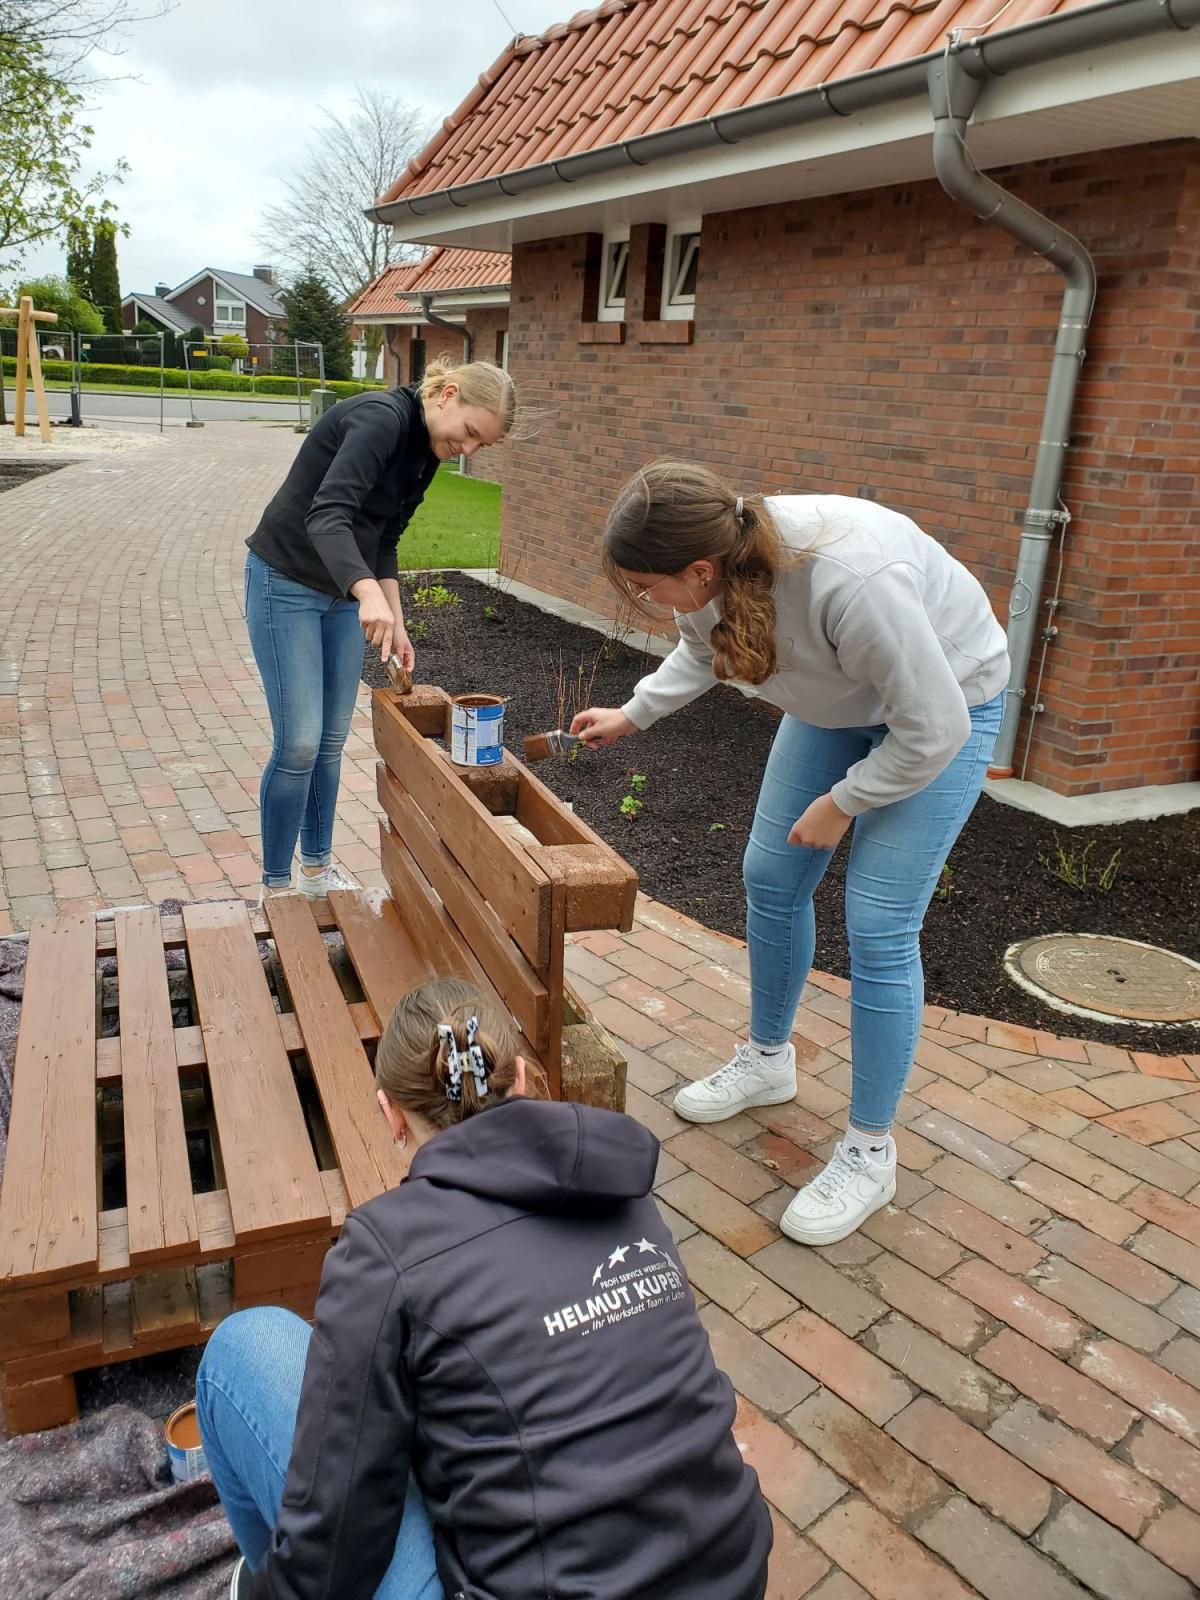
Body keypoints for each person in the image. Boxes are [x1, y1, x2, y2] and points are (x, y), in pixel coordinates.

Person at [196, 976, 772, 1600]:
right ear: (521, 1078)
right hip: (731, 1572)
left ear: (390, 1116)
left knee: (243, 1347)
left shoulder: (386, 1251)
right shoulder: (623, 1190)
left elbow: (338, 1540)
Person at [572, 461, 1009, 1247]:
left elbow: (933, 727)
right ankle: (769, 1059)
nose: (643, 600)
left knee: (877, 926)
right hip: (835, 704)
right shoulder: (715, 568)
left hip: (947, 708)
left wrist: (844, 802)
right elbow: (701, 647)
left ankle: (871, 1153)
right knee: (769, 877)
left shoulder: (850, 580)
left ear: (698, 568)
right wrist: (632, 714)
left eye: (644, 585)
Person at [244, 360, 513, 903]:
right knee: (299, 742)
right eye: (470, 433)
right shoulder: (379, 420)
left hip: (344, 592)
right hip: (286, 581)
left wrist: (398, 623)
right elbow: (329, 514)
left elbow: (385, 538)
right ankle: (275, 891)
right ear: (449, 394)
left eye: (481, 444)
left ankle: (316, 873)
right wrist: (366, 593)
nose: (469, 449)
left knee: (330, 742)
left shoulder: (426, 450)